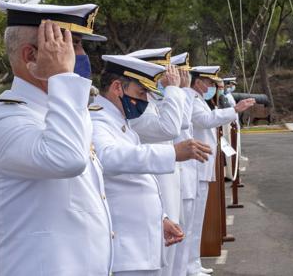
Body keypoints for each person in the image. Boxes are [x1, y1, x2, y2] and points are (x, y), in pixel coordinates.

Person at [0, 2, 114, 275]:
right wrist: (62, 76)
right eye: (67, 44)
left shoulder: (61, 110)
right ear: (30, 54)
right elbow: (67, 160)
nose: (78, 55)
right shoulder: (4, 120)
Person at [90, 54, 212, 276]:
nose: (145, 99)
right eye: (141, 93)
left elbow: (138, 180)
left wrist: (161, 218)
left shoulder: (119, 121)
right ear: (118, 87)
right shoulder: (98, 120)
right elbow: (109, 157)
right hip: (126, 248)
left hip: (140, 243)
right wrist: (172, 153)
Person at [186, 66, 255, 276]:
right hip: (195, 167)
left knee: (196, 222)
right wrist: (235, 109)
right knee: (191, 222)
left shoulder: (198, 99)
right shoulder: (192, 100)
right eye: (209, 83)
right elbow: (206, 121)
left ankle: (193, 263)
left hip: (202, 166)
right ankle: (188, 266)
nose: (211, 88)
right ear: (198, 82)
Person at [127, 47, 189, 276]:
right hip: (156, 186)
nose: (167, 77)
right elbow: (170, 128)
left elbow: (181, 122)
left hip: (167, 182)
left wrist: (177, 90)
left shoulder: (152, 102)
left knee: (172, 251)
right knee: (162, 257)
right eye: (164, 73)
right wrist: (173, 89)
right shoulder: (137, 110)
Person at [167, 52, 200, 276]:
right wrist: (182, 90)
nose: (183, 77)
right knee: (177, 236)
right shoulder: (169, 97)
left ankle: (189, 267)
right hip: (173, 174)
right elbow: (180, 124)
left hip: (185, 172)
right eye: (182, 73)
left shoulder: (176, 96)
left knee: (185, 230)